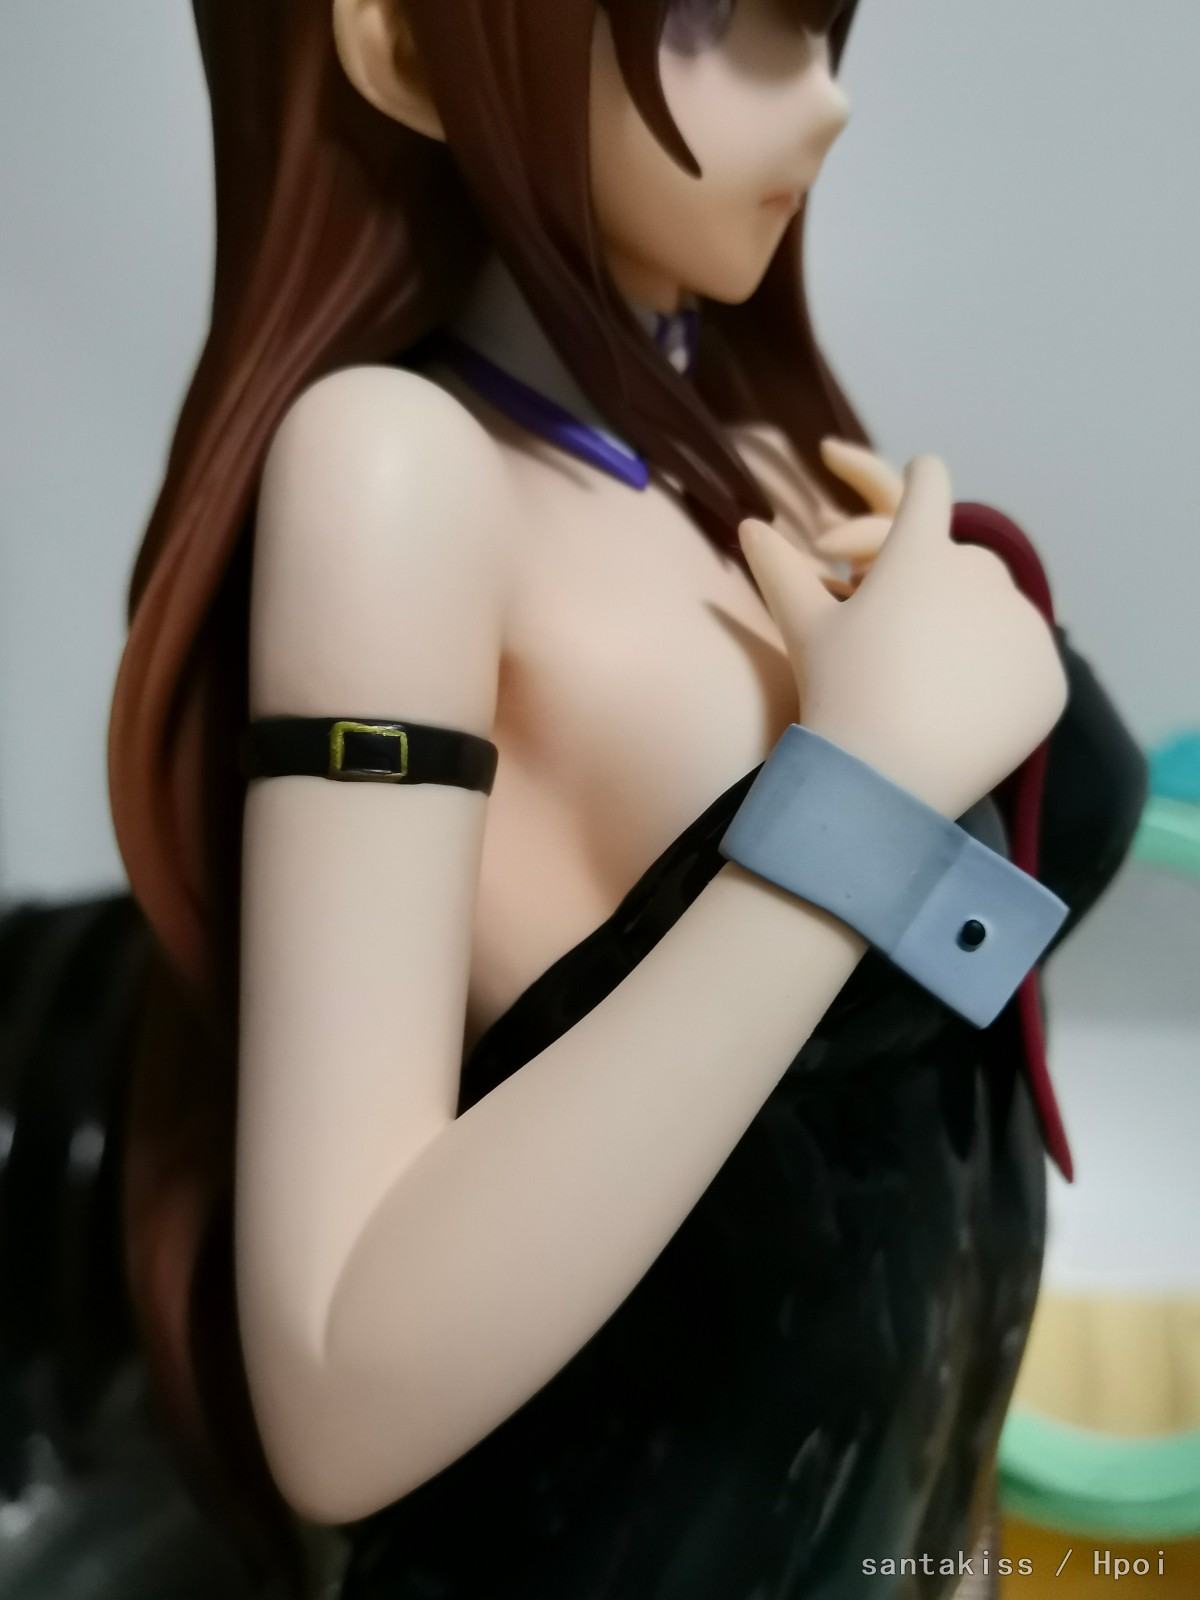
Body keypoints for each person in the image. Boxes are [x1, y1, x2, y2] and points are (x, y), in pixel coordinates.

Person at [106, 1, 1148, 1595]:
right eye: (710, 18)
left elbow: (924, 1101)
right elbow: (333, 1391)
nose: (824, 103)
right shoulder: (401, 475)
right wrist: (861, 800)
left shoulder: (775, 460)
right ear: (401, 43)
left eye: (817, 23)